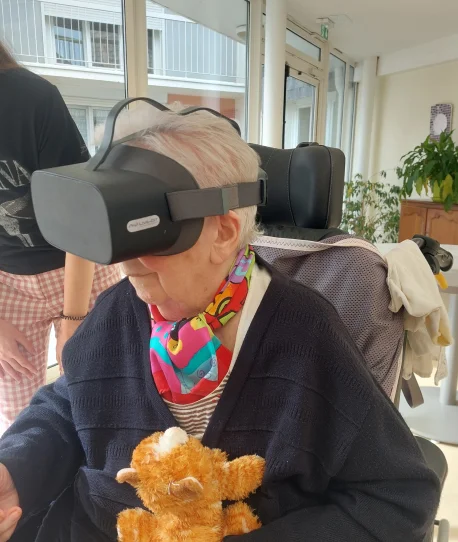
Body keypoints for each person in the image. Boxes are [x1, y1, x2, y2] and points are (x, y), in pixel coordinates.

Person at [0, 106, 440, 542]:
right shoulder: (119, 310)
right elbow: (71, 405)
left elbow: (399, 496)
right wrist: (16, 470)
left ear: (224, 233)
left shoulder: (305, 335)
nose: (127, 263)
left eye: (149, 236)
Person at [0, 42, 120, 434]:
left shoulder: (31, 97)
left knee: (102, 396)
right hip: (8, 283)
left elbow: (79, 211)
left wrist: (75, 317)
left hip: (80, 264)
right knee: (21, 418)